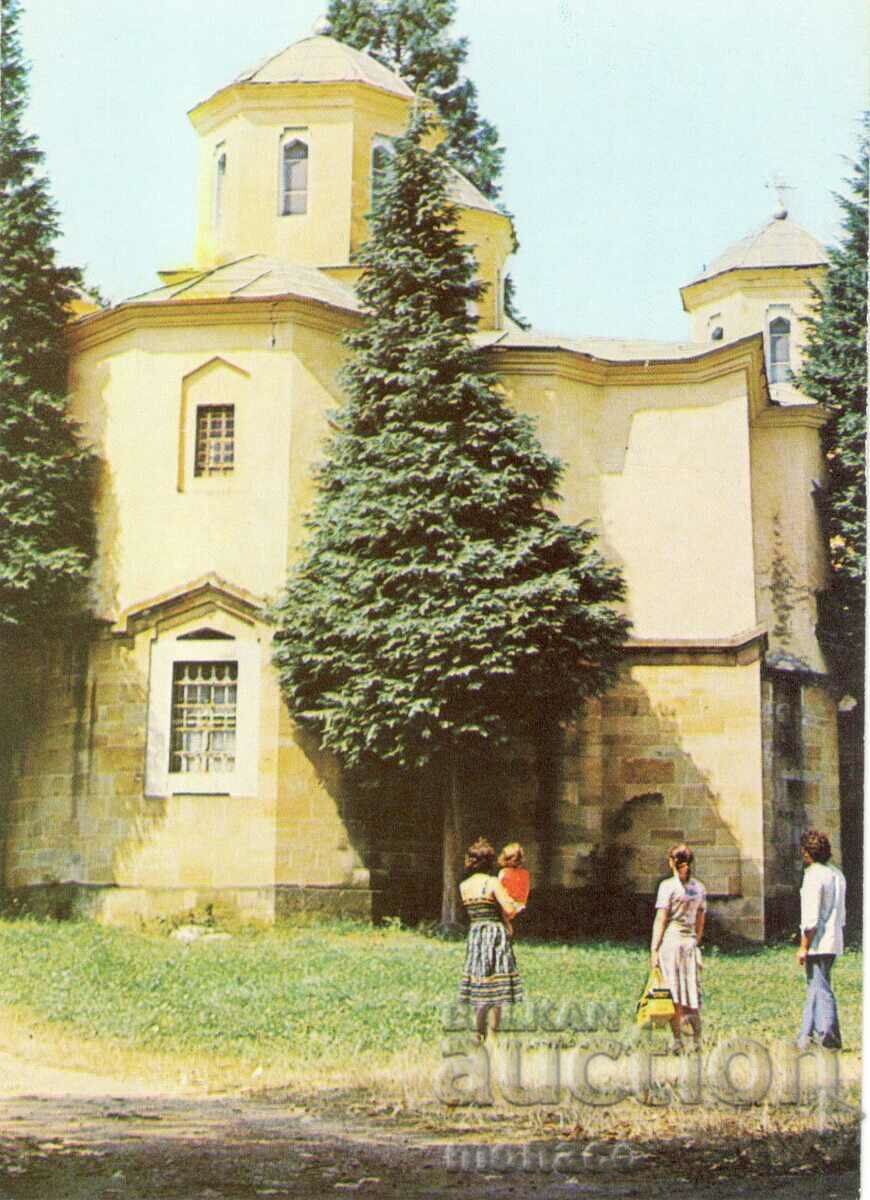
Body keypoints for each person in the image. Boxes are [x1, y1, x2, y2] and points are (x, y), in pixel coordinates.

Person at [458, 837, 522, 1040]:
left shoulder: (464, 886)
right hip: (494, 935)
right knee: (496, 988)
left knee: (480, 985)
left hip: (476, 934)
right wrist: (513, 903)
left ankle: (478, 1033)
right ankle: (494, 1037)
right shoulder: (493, 882)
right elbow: (510, 909)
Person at [650, 844, 706, 1051]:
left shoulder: (667, 886)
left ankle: (677, 1041)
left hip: (671, 943)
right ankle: (698, 1040)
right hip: (690, 943)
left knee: (674, 993)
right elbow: (701, 919)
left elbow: (661, 919)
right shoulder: (699, 888)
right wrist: (695, 940)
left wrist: (654, 949)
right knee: (691, 992)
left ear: (671, 862)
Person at [797, 829, 845, 1050]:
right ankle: (805, 1037)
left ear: (807, 852)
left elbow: (811, 918)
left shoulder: (813, 875)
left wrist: (803, 946)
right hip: (834, 937)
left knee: (821, 988)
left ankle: (828, 1036)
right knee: (815, 986)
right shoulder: (836, 874)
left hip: (818, 940)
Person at [497, 842, 531, 938]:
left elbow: (498, 891)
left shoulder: (503, 872)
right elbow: (526, 891)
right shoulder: (525, 873)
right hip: (521, 905)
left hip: (507, 906)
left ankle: (507, 934)